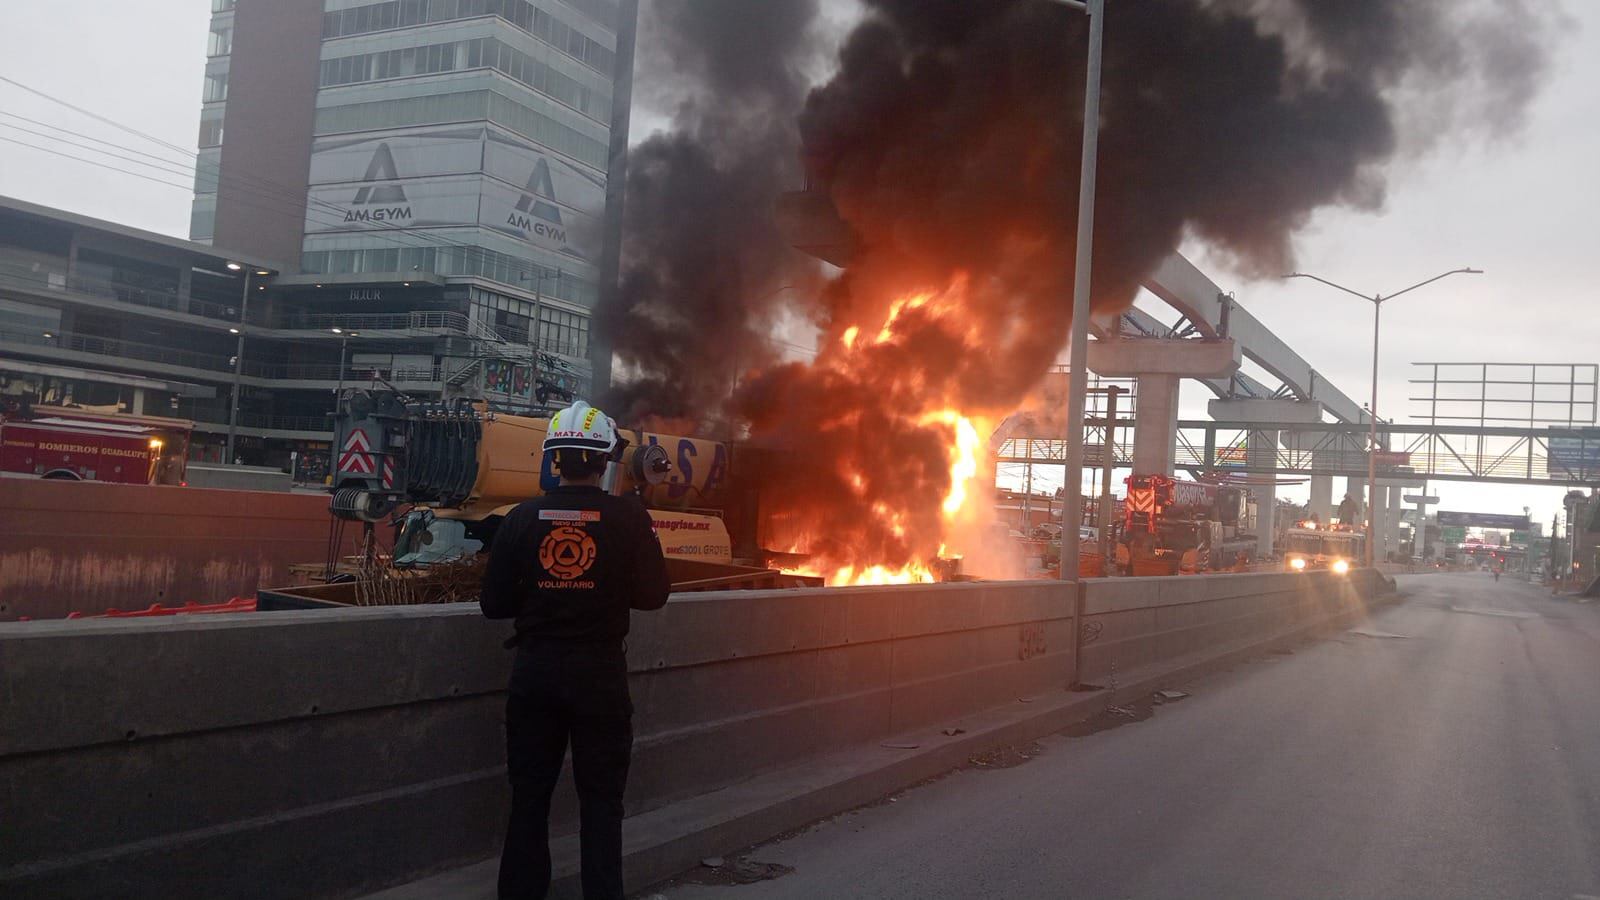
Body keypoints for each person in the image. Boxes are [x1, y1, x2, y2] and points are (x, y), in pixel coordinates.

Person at [481, 400, 671, 900]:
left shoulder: (521, 519)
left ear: (555, 459)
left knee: (528, 800)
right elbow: (653, 597)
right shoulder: (630, 518)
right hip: (600, 678)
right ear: (606, 459)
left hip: (535, 675)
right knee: (602, 804)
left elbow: (493, 604)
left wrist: (543, 593)